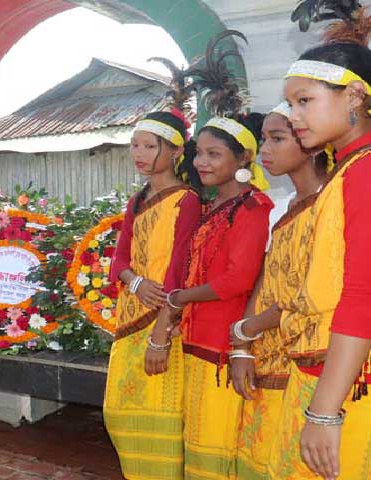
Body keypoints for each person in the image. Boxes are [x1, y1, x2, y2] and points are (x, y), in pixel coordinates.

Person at [265, 4, 371, 478]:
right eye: (290, 104)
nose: (294, 116)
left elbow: (362, 294)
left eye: (304, 101)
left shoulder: (364, 171)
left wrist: (324, 413)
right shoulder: (347, 169)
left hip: (347, 385)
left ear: (352, 96)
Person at [163, 30, 274, 478]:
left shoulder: (252, 207)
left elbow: (236, 280)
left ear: (242, 157)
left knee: (215, 447)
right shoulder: (216, 206)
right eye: (199, 154)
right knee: (199, 444)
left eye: (213, 155)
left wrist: (178, 299)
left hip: (222, 342)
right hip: (198, 336)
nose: (202, 163)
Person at [103, 58, 202, 480]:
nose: (139, 154)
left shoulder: (188, 201)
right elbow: (120, 258)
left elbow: (182, 271)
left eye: (150, 146)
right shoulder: (137, 200)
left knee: (159, 412)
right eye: (135, 145)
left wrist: (161, 335)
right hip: (131, 315)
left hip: (164, 323)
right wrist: (135, 281)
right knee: (120, 411)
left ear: (177, 150)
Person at [229, 103, 326, 479]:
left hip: (312, 351)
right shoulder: (280, 209)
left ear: (311, 141)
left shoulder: (334, 202)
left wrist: (248, 328)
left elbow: (313, 292)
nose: (264, 150)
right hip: (268, 353)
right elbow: (265, 281)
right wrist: (242, 346)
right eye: (263, 139)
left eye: (277, 138)